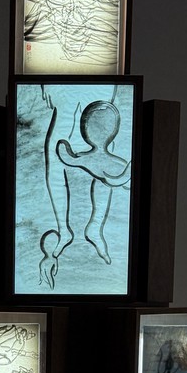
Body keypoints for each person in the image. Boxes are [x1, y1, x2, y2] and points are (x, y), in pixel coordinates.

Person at [55, 100, 131, 265]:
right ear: (86, 129)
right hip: (76, 211)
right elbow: (67, 157)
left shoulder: (113, 163)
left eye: (104, 126)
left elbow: (123, 181)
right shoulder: (85, 159)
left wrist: (127, 174)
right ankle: (80, 231)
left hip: (99, 205)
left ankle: (94, 229)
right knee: (95, 185)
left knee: (102, 185)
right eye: (94, 126)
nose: (100, 131)